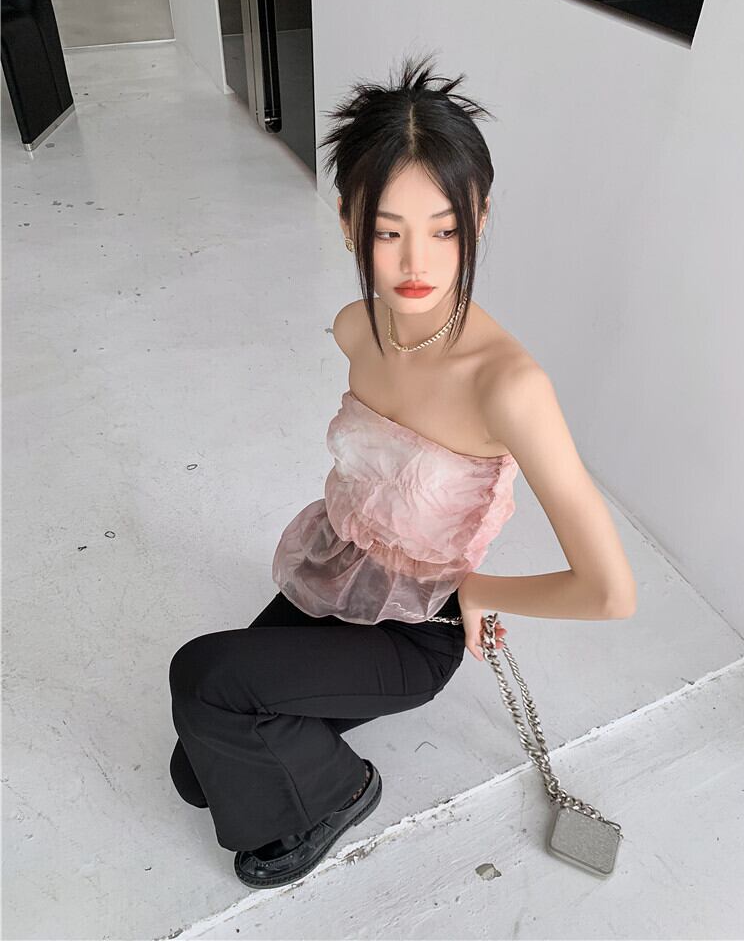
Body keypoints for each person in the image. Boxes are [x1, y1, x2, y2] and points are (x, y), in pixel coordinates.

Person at [169, 51, 636, 891]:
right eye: (388, 232)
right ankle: (299, 752)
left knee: (201, 679)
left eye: (444, 230)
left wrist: (478, 590)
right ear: (348, 223)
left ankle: (343, 791)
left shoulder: (508, 387)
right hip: (336, 580)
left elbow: (610, 591)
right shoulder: (357, 328)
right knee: (192, 771)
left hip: (415, 631)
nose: (416, 261)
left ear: (480, 218)